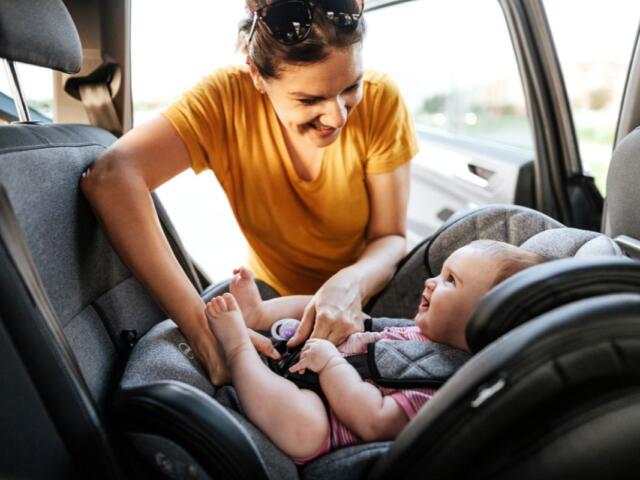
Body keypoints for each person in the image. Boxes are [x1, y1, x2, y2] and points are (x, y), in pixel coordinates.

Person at [80, 0, 418, 385]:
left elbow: (389, 237)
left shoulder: (382, 99)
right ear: (257, 76)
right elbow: (110, 177)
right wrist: (203, 335)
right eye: (309, 100)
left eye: (351, 88)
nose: (338, 116)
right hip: (271, 302)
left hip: (368, 296)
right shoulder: (225, 100)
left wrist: (349, 283)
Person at [205, 240, 547, 462]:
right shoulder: (419, 333)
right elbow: (365, 331)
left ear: (483, 321)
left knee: (304, 430)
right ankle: (260, 314)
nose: (430, 282)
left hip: (329, 424)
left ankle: (236, 349)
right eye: (440, 274)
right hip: (311, 361)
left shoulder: (444, 386)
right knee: (345, 312)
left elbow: (375, 420)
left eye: (450, 281)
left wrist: (331, 366)